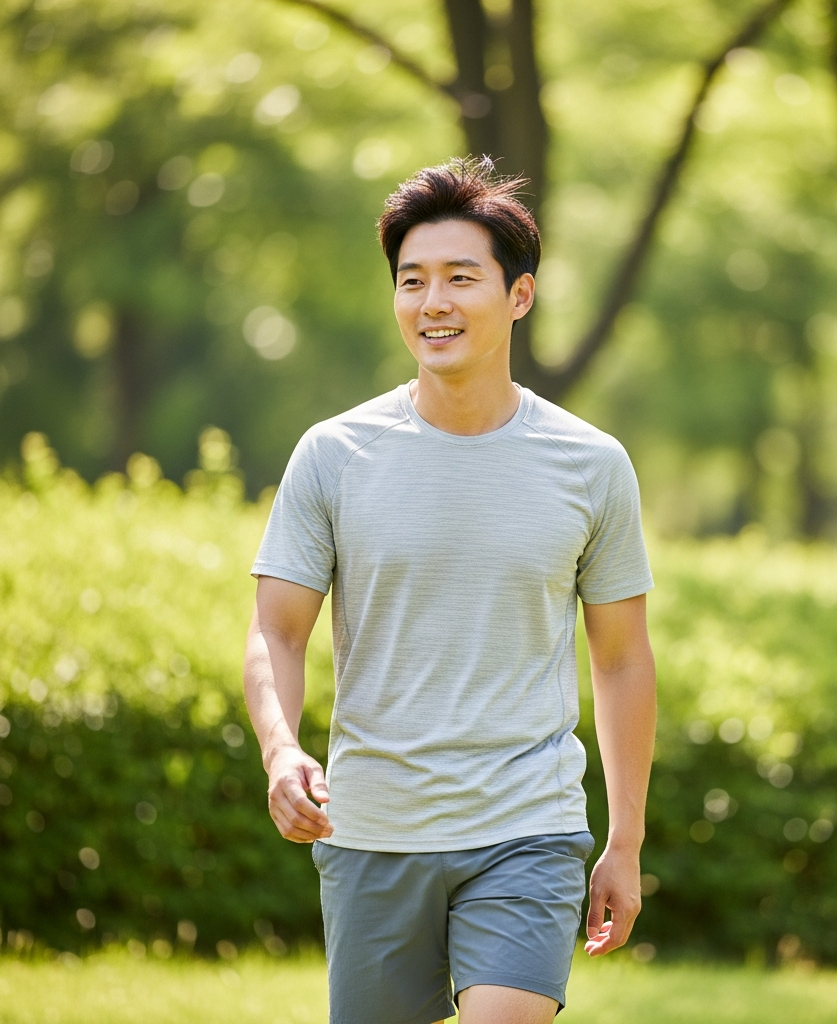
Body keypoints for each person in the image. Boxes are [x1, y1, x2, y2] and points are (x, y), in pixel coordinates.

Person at [243, 157, 656, 1024]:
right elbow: (276, 631)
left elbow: (621, 659)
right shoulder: (333, 455)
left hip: (527, 829)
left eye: (461, 278)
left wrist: (625, 840)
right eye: (412, 280)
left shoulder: (591, 464)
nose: (433, 302)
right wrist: (280, 751)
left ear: (519, 295)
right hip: (373, 832)